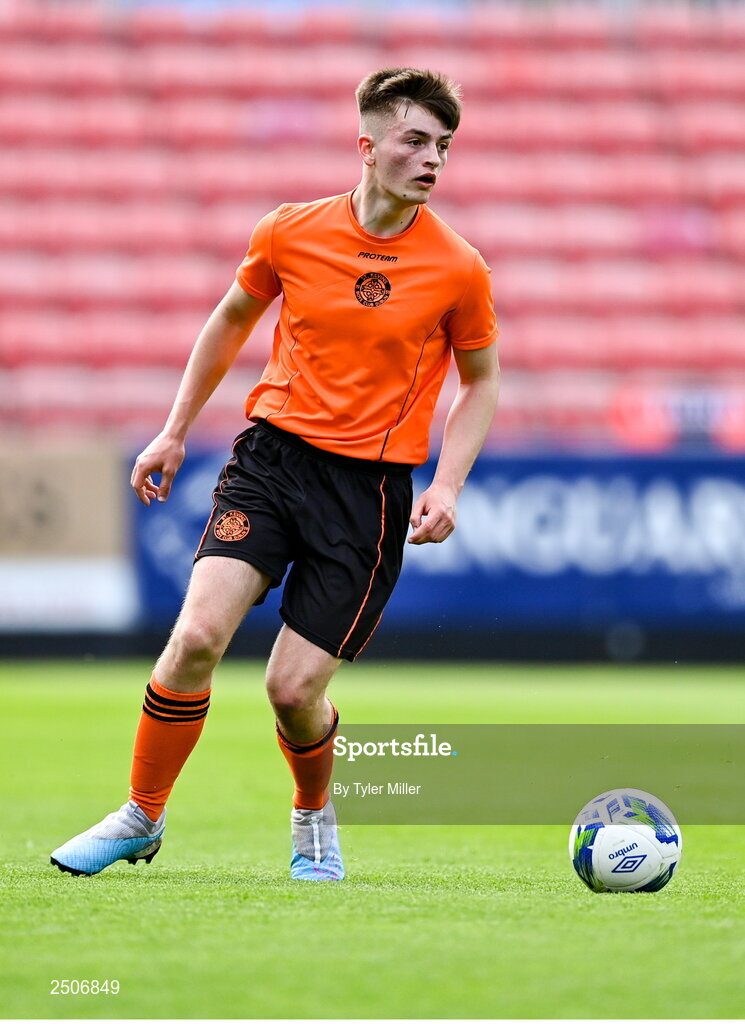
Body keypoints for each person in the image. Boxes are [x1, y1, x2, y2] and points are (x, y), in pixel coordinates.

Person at [50, 67, 500, 881]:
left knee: (291, 692)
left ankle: (311, 814)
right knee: (193, 640)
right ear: (366, 147)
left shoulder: (459, 268)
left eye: (443, 146)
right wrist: (174, 430)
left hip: (366, 492)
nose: (433, 159)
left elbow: (480, 381)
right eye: (414, 141)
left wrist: (447, 484)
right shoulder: (289, 230)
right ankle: (140, 816)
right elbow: (229, 321)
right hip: (271, 461)